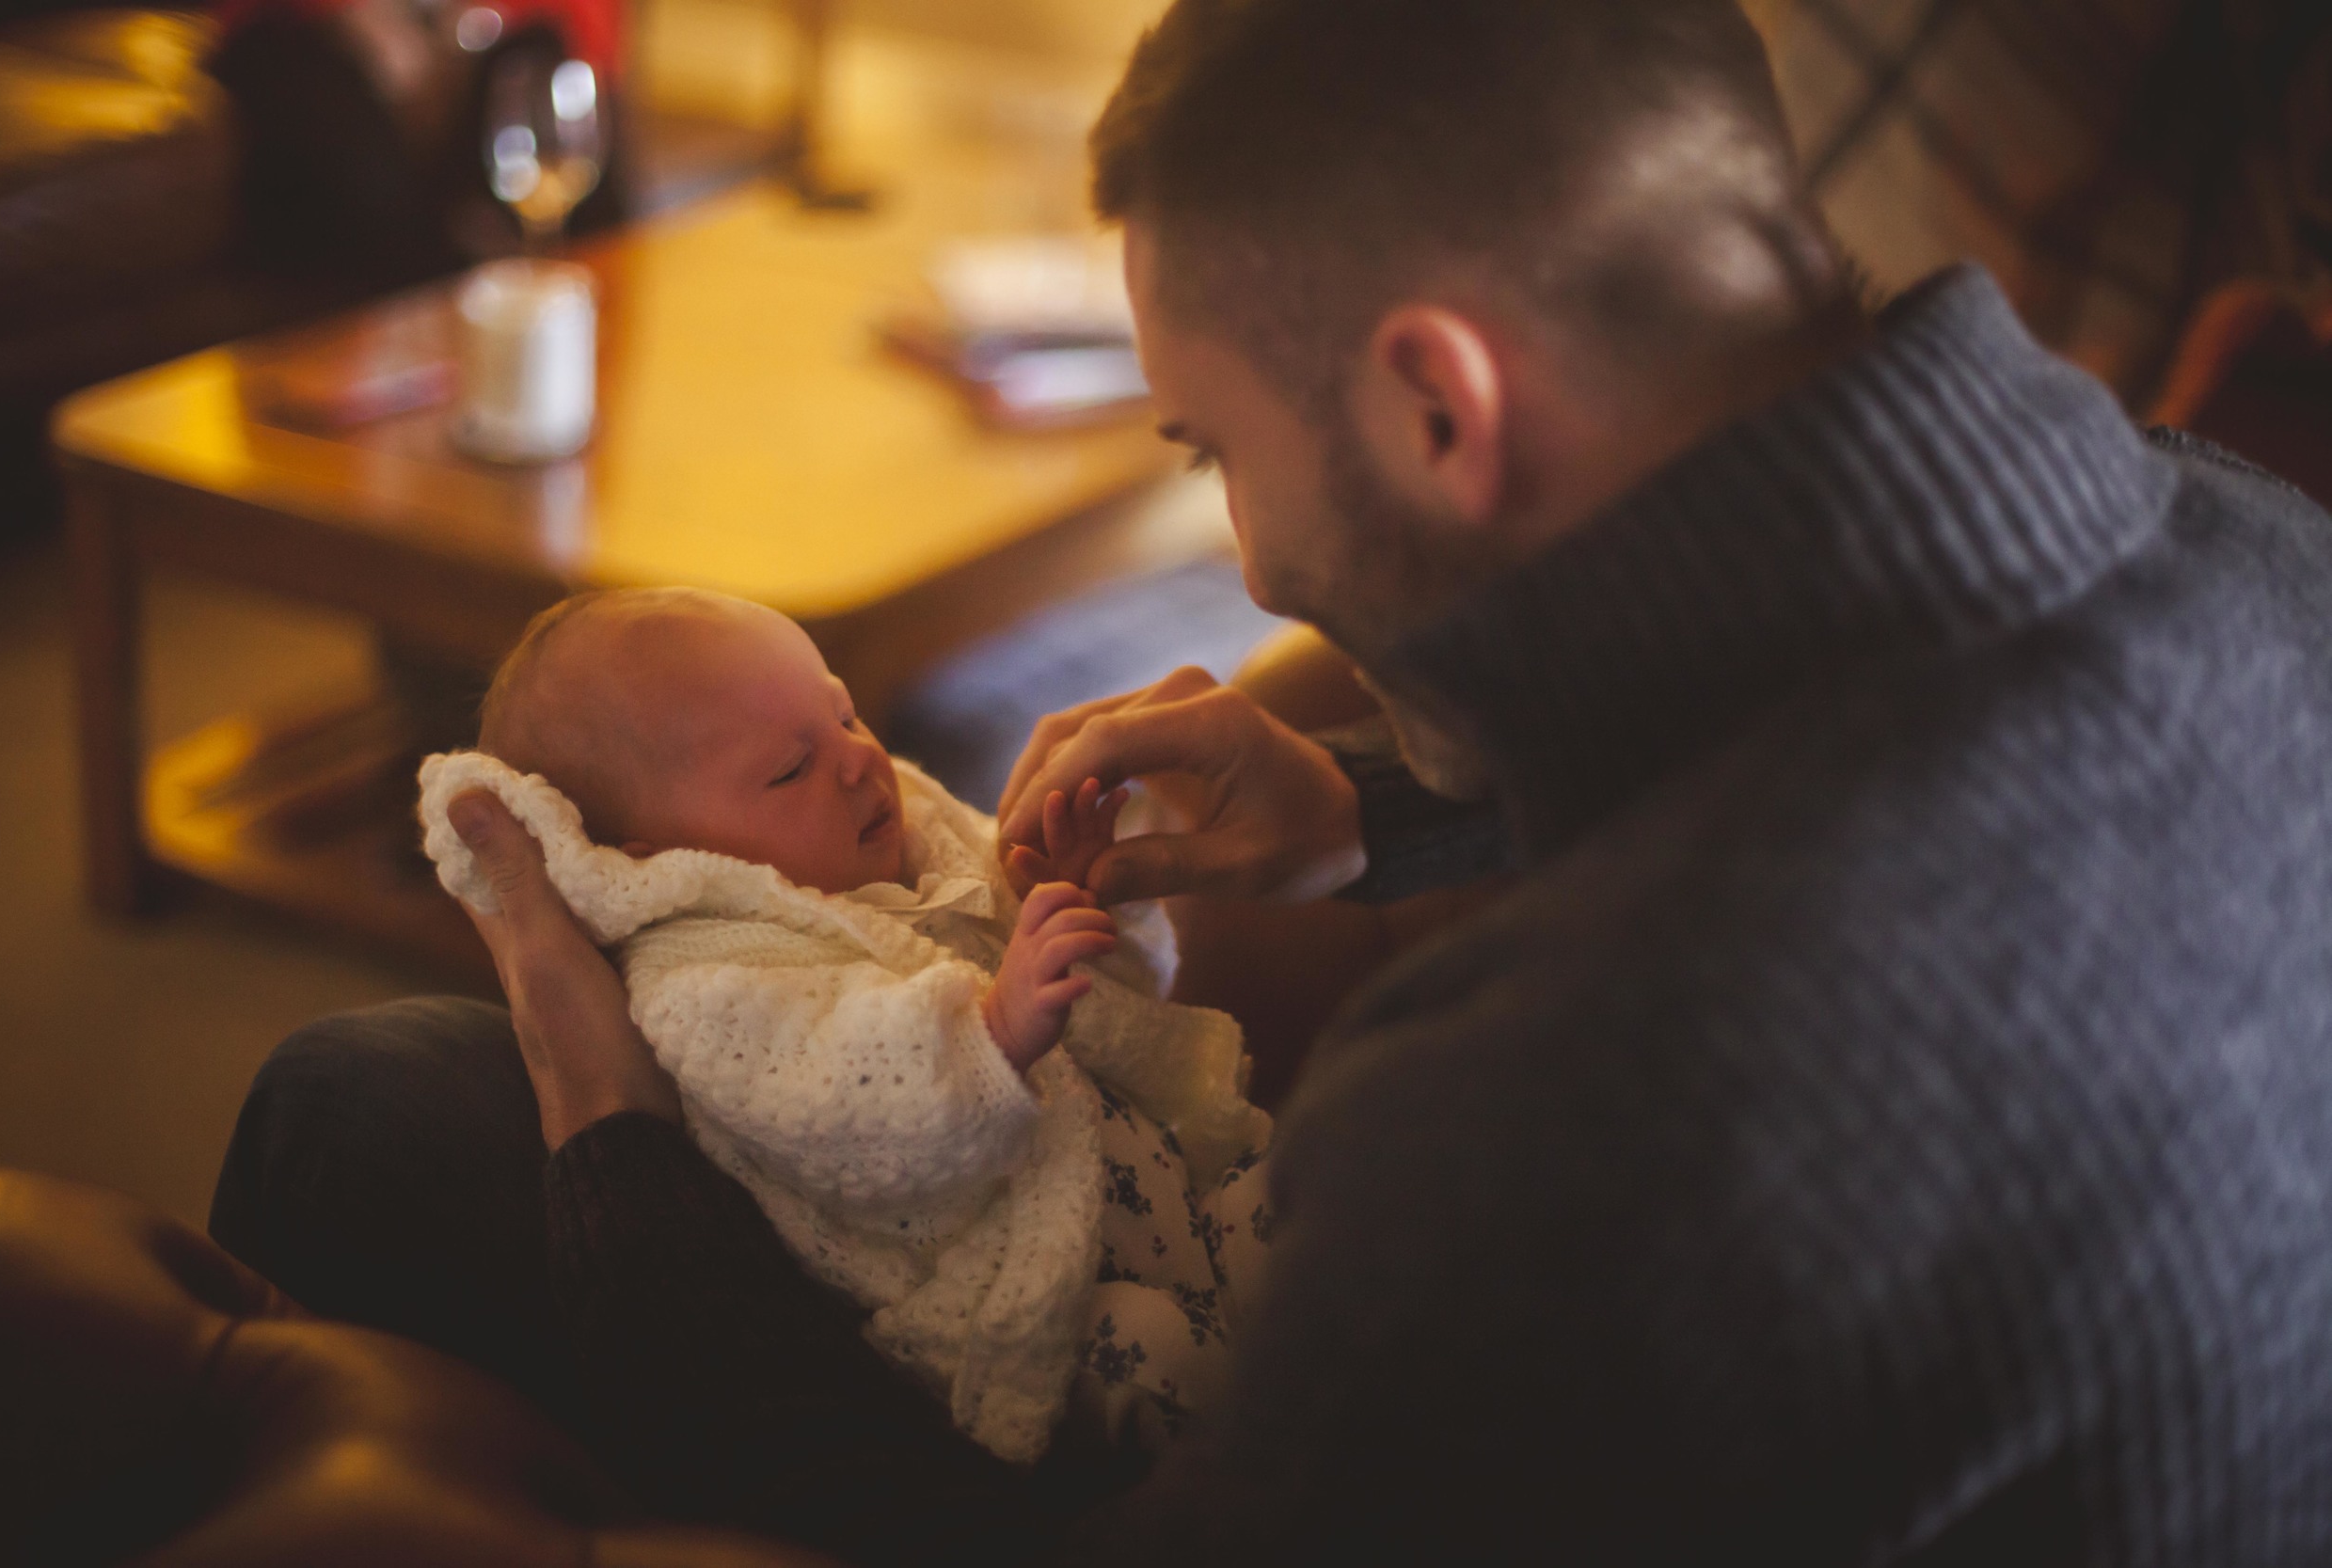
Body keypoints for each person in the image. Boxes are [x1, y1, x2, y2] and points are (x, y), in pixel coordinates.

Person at [213, 1, 2332, 1562]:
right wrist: (1367, 805)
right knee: (393, 1081)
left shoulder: (1558, 1101)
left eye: (1210, 448)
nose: (1249, 557)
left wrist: (602, 1098)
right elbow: (1834, 695)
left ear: (1432, 397)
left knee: (366, 1103)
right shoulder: (2252, 543)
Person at [416, 588, 1272, 1466]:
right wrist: (990, 1030)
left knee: (1290, 1192)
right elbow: (834, 1103)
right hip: (1034, 1268)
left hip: (1167, 1180)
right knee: (1158, 1351)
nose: (862, 762)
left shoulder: (915, 831)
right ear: (661, 862)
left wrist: (1067, 899)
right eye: (790, 769)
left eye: (846, 713)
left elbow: (1121, 1005)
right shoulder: (702, 980)